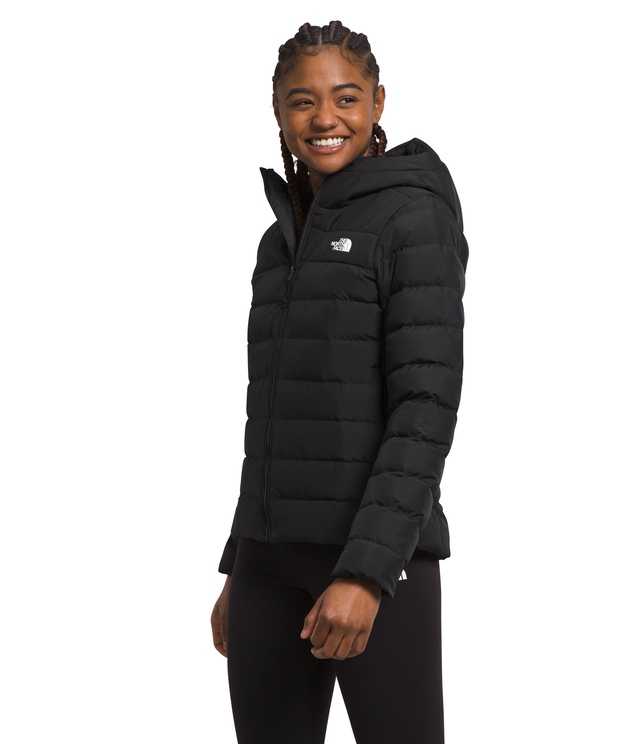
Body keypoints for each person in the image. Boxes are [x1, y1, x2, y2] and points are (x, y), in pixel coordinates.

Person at [211, 20, 469, 744]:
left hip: (376, 563)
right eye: (303, 101)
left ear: (378, 103)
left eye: (346, 97)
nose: (325, 118)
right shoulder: (279, 243)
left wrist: (365, 574)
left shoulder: (413, 218)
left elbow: (424, 408)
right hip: (267, 563)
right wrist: (240, 561)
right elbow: (274, 417)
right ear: (278, 113)